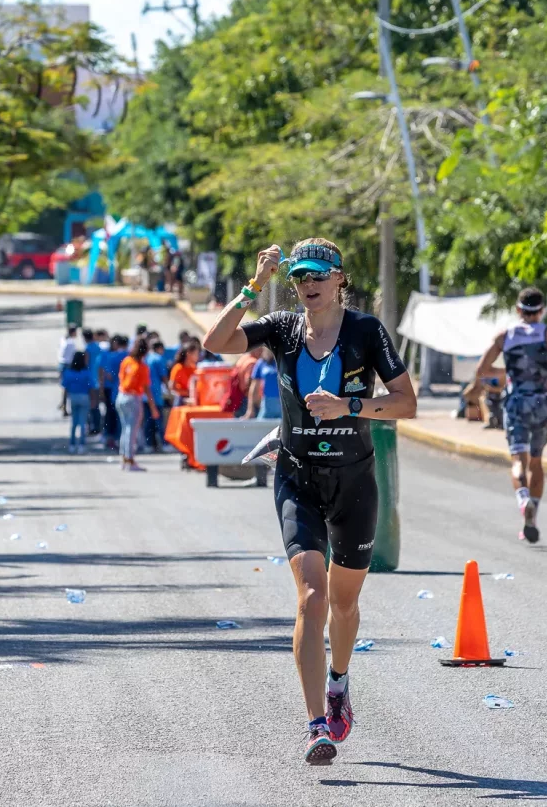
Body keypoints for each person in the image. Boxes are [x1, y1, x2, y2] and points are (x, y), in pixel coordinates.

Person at [201, 238, 417, 765]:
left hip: (354, 481)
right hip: (298, 478)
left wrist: (349, 405)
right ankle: (316, 723)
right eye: (299, 276)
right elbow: (215, 341)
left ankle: (339, 682)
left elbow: (406, 403)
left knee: (344, 603)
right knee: (311, 598)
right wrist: (256, 284)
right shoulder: (282, 328)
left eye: (318, 274)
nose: (308, 284)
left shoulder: (366, 331)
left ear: (339, 278)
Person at [474, 287, 547, 543]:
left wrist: (506, 375)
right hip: (541, 403)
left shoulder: (504, 336)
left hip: (515, 403)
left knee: (518, 459)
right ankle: (533, 515)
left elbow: (482, 370)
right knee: (536, 462)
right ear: (542, 310)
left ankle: (523, 501)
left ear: (518, 309)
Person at [116, 336, 160, 471]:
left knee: (125, 429)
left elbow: (121, 378)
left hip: (121, 395)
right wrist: (153, 407)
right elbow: (147, 389)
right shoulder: (142, 367)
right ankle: (130, 459)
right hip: (133, 398)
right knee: (131, 430)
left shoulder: (126, 361)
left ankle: (124, 458)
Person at [60, 350, 98, 453]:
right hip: (84, 397)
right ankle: (81, 444)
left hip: (73, 397)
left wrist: (63, 404)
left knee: (74, 422)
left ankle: (72, 444)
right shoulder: (87, 373)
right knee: (82, 422)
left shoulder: (68, 373)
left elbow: (65, 390)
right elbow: (92, 388)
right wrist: (94, 401)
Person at [99, 335, 128, 450]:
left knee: (112, 416)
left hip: (115, 391)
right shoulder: (130, 357)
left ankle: (112, 439)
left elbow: (108, 375)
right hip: (131, 393)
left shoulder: (111, 357)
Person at [144, 339, 169, 453]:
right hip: (156, 394)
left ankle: (149, 444)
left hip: (145, 395)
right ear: (160, 348)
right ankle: (164, 444)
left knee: (148, 422)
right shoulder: (159, 359)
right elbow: (163, 377)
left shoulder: (145, 358)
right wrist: (169, 390)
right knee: (159, 422)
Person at [245, 346, 282, 420]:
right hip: (267, 403)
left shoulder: (282, 362)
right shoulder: (261, 363)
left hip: (282, 403)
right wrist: (250, 409)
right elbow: (254, 388)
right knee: (260, 425)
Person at [82, 328, 104, 435]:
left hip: (90, 379)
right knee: (96, 404)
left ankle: (92, 426)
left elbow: (86, 363)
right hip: (98, 378)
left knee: (90, 404)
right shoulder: (98, 346)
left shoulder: (87, 348)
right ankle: (98, 425)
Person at [168, 341, 200, 406]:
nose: (197, 356)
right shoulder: (178, 368)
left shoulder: (194, 368)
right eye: (196, 354)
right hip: (181, 399)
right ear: (188, 354)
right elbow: (172, 387)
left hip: (192, 399)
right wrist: (187, 392)